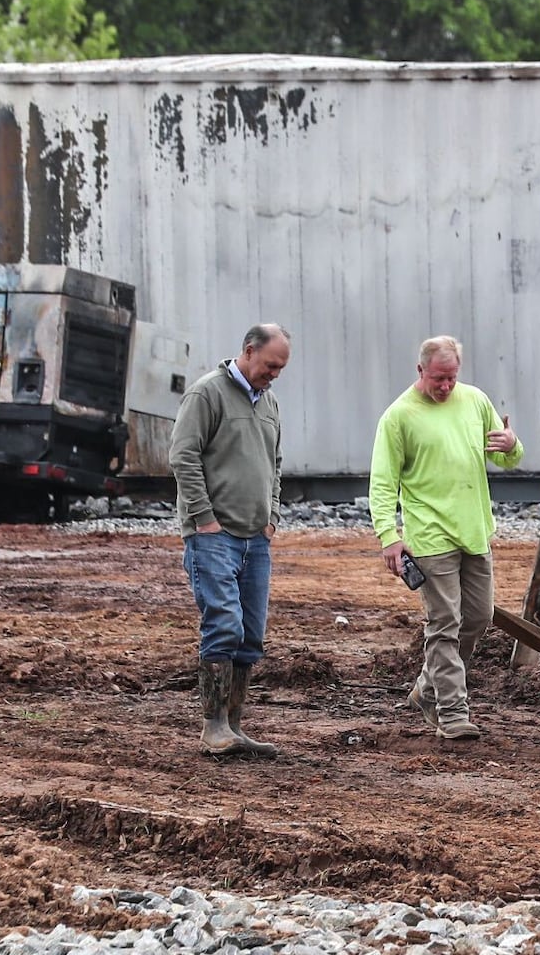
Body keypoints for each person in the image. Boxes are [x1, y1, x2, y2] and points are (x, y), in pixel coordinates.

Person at [369, 335, 521, 740]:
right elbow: (383, 484)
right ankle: (451, 712)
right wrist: (389, 536)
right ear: (421, 371)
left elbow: (506, 456)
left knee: (478, 617)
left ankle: (427, 687)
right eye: (438, 378)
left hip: (474, 531)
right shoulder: (399, 417)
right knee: (444, 622)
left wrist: (511, 445)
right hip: (430, 537)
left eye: (452, 378)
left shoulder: (474, 401)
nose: (446, 386)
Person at [171, 323, 291, 756]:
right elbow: (182, 455)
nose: (274, 374)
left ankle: (234, 727)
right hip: (213, 536)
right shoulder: (208, 394)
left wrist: (271, 516)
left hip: (255, 537)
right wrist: (203, 518)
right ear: (248, 351)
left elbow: (275, 462)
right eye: (270, 365)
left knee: (250, 634)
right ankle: (213, 726)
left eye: (280, 368)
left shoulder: (270, 402)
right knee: (223, 625)